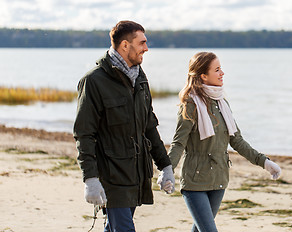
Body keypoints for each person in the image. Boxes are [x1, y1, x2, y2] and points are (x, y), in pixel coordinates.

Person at [73, 20, 175, 232]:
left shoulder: (140, 78)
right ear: (125, 45)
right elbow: (84, 134)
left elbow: (149, 126)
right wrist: (90, 178)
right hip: (111, 175)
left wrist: (164, 166)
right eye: (142, 43)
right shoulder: (94, 81)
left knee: (114, 228)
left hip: (137, 174)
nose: (146, 48)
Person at [164, 52, 281, 232]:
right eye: (217, 70)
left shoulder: (222, 103)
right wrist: (168, 170)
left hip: (219, 179)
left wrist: (264, 162)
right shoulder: (190, 104)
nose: (222, 73)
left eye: (221, 69)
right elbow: (178, 143)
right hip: (195, 182)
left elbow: (237, 141)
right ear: (203, 75)